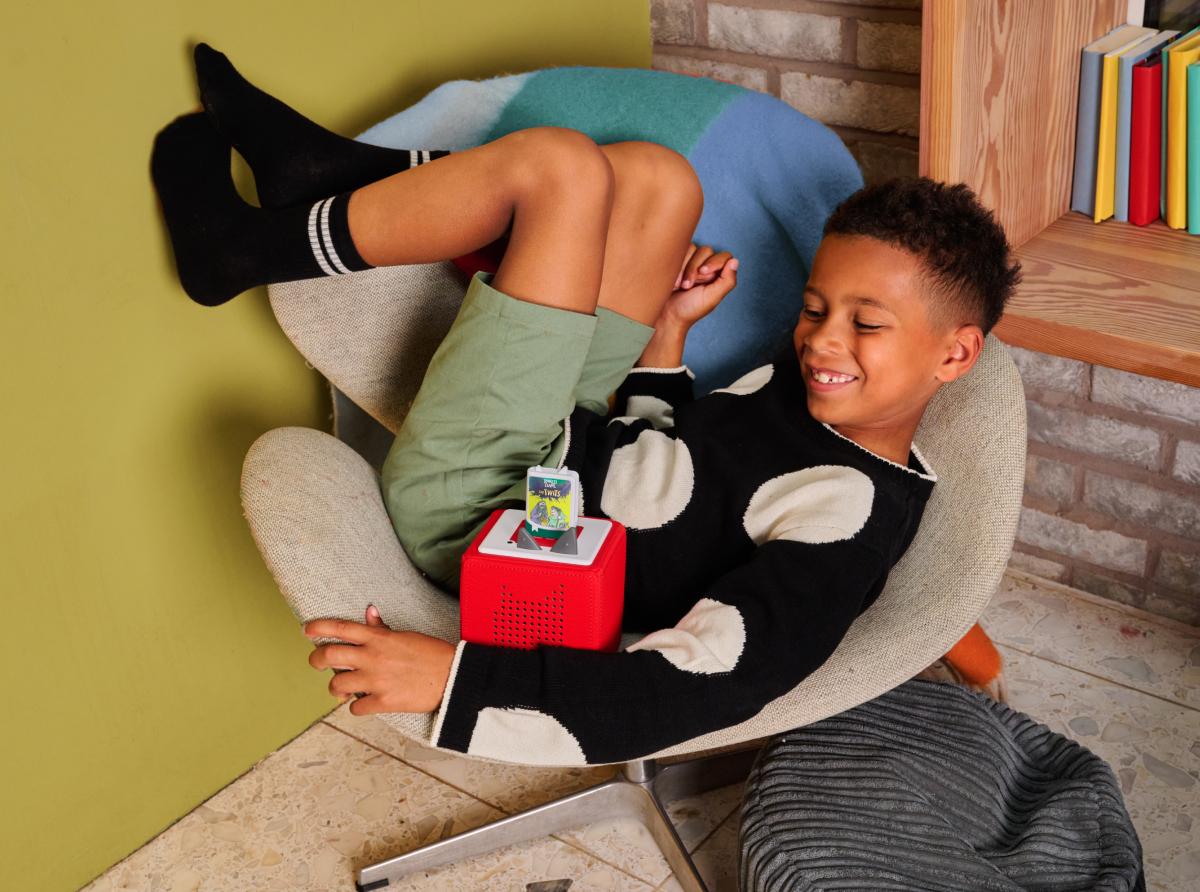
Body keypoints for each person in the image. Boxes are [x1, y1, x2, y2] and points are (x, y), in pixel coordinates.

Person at [152, 45, 1022, 766]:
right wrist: (669, 338)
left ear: (954, 353)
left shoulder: (847, 519)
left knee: (558, 170)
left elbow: (695, 688)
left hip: (492, 511)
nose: (822, 342)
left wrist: (455, 677)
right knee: (659, 181)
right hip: (568, 449)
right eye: (815, 308)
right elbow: (671, 471)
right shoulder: (817, 392)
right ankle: (325, 174)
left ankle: (245, 248)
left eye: (865, 324)